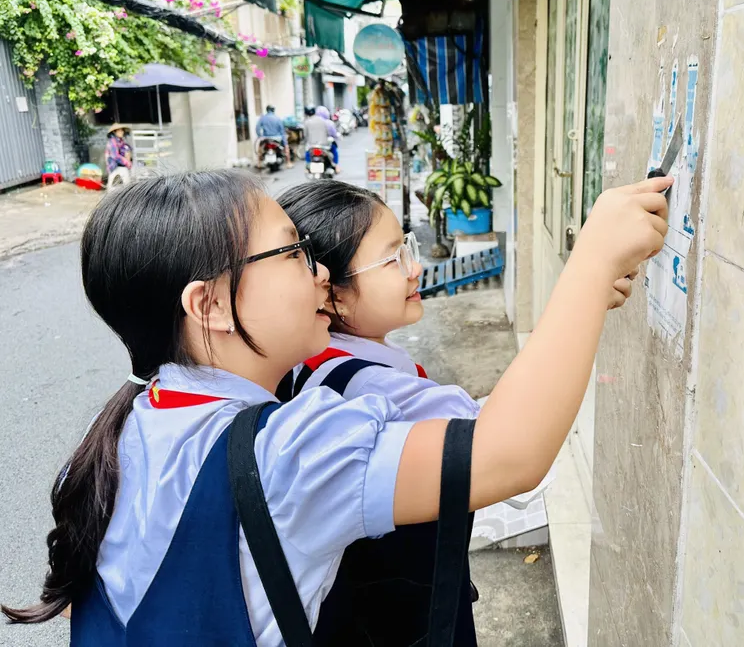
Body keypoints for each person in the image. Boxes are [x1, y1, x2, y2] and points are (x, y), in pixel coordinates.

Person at [1, 170, 671, 645]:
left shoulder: (125, 430)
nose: (319, 273)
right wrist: (589, 262)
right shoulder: (289, 452)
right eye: (292, 252)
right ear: (209, 306)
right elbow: (508, 454)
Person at [277, 181, 630, 644]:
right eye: (392, 259)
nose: (414, 268)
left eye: (408, 246)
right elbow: (504, 446)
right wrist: (589, 275)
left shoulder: (312, 365)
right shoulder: (366, 388)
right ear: (331, 292)